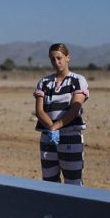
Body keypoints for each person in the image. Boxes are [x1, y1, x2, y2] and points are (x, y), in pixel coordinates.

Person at [33, 43, 89, 185]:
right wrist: (52, 129)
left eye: (59, 58)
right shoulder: (44, 82)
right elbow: (39, 111)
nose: (56, 62)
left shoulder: (78, 80)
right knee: (49, 183)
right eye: (52, 59)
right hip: (48, 139)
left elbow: (74, 109)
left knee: (73, 183)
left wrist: (54, 127)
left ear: (68, 57)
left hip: (70, 136)